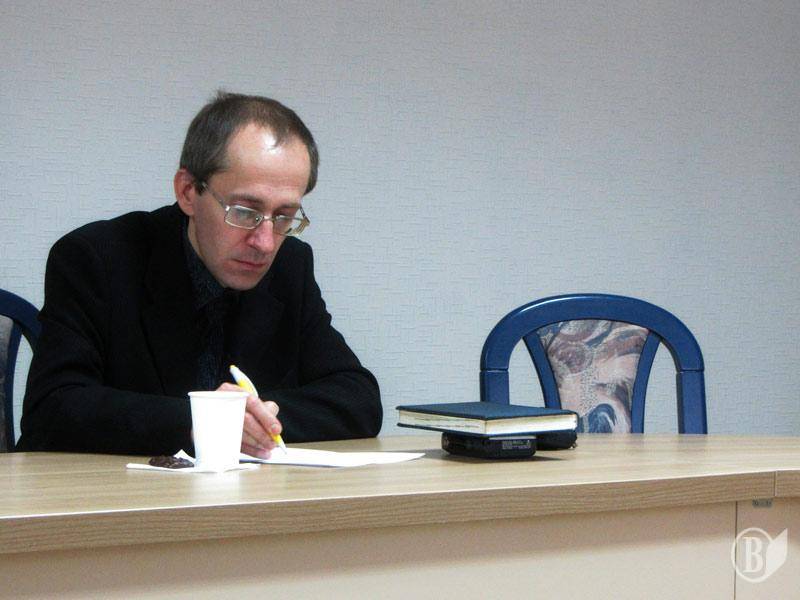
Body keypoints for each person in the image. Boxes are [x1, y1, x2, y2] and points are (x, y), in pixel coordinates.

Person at [17, 91, 382, 456]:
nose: (266, 242)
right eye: (245, 212)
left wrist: (257, 420)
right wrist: (202, 419)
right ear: (188, 192)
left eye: (285, 216)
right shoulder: (96, 258)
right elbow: (52, 409)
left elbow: (359, 398)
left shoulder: (291, 266)